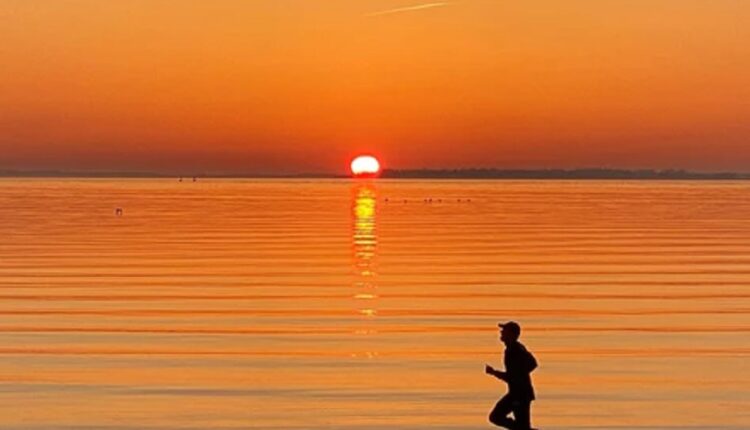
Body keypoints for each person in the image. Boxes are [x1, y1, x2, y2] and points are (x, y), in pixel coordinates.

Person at [485, 321, 538, 430]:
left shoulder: (515, 350)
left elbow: (532, 364)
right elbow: (513, 375)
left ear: (512, 334)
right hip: (517, 394)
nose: (501, 332)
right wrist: (496, 373)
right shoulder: (513, 348)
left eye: (504, 331)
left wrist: (518, 374)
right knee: (520, 426)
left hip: (520, 395)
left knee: (496, 417)